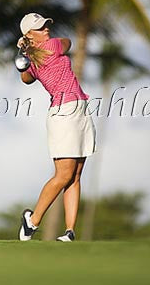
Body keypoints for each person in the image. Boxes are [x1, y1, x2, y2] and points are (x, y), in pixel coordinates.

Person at [16, 13, 97, 242]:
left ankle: (70, 231)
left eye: (46, 26)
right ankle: (31, 222)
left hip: (78, 109)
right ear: (29, 34)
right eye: (40, 28)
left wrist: (25, 54)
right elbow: (67, 42)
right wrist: (27, 53)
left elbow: (26, 78)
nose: (46, 30)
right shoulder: (52, 46)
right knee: (63, 175)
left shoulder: (35, 56)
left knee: (76, 175)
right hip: (65, 113)